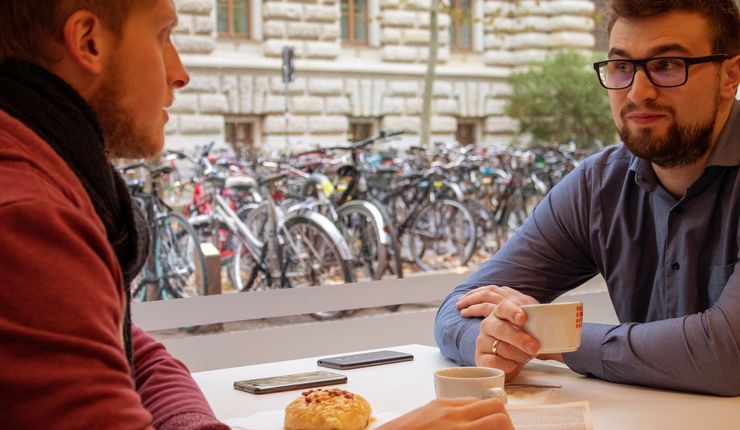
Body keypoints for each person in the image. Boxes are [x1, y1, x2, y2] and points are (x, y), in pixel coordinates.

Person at [0, 1, 513, 429]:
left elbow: (135, 355)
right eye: (162, 36)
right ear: (88, 41)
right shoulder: (27, 221)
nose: (179, 72)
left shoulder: (48, 181)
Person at [435, 0, 740, 397]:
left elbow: (727, 355)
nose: (638, 92)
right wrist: (492, 340)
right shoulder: (598, 185)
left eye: (666, 65)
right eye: (622, 67)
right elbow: (459, 308)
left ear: (729, 76)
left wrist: (551, 335)